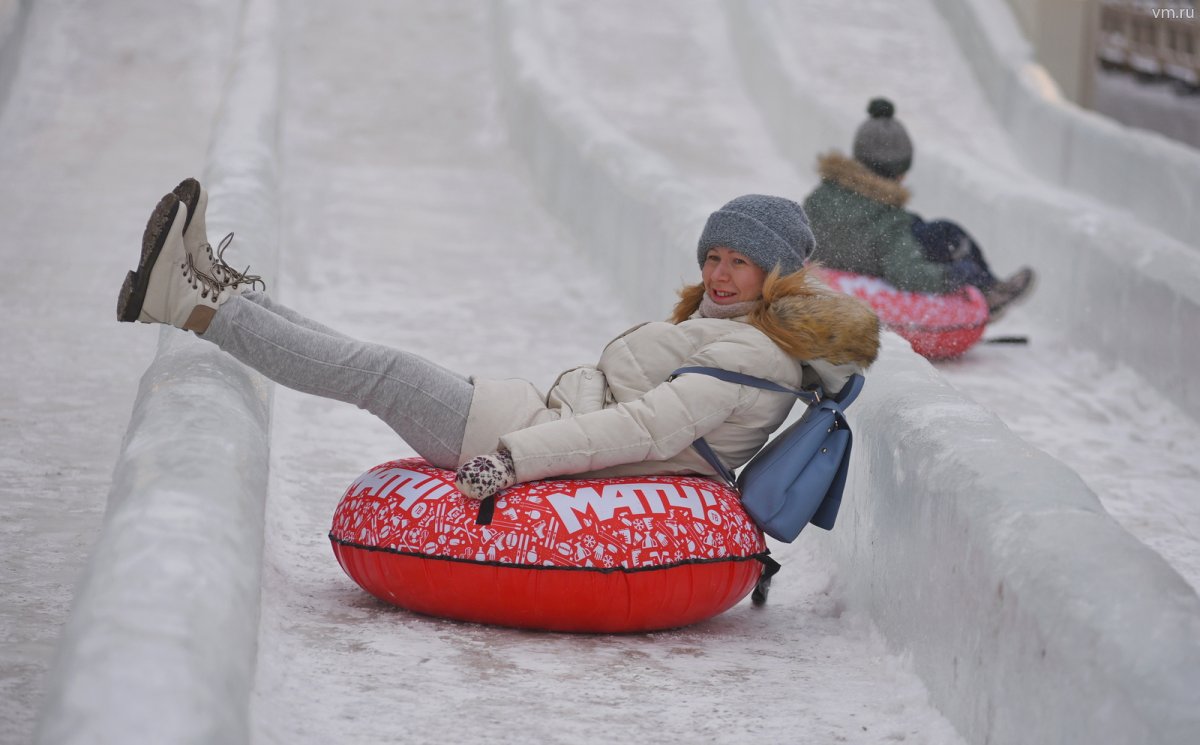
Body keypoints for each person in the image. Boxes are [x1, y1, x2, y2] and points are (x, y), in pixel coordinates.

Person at [117, 182, 880, 500]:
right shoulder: (736, 329)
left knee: (377, 370)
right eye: (712, 256)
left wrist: (513, 460)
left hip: (518, 433)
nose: (717, 273)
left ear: (772, 271)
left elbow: (645, 428)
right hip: (527, 411)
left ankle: (187, 304)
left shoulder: (753, 354)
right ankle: (211, 288)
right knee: (371, 359)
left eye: (736, 260)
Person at [803, 97, 1035, 317]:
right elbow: (905, 273)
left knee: (920, 227)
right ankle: (988, 290)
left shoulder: (820, 197)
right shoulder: (890, 222)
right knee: (946, 233)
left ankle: (989, 287)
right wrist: (957, 274)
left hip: (838, 261)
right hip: (875, 262)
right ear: (900, 172)